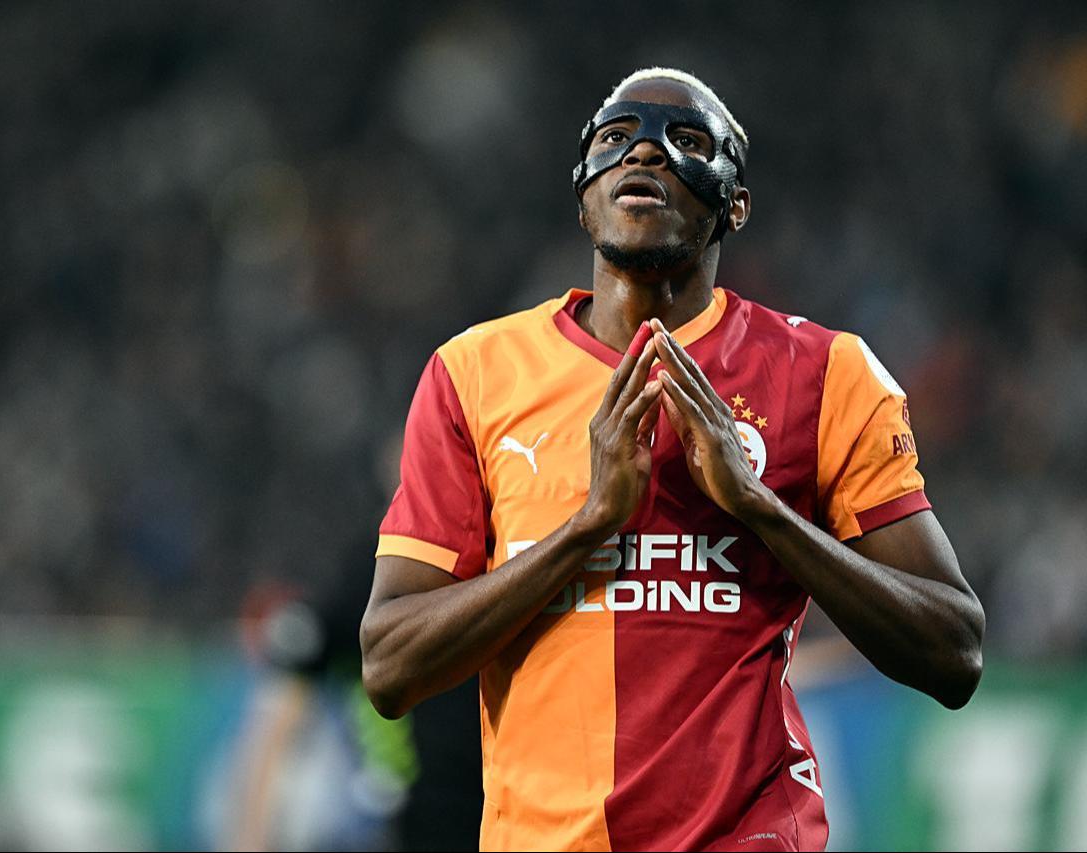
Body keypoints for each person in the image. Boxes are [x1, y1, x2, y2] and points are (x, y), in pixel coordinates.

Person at [360, 67, 985, 852]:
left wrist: (758, 506)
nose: (645, 153)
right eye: (616, 138)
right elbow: (388, 666)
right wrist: (589, 528)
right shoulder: (474, 375)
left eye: (685, 142)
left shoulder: (827, 375)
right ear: (584, 193)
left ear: (735, 205)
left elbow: (955, 651)